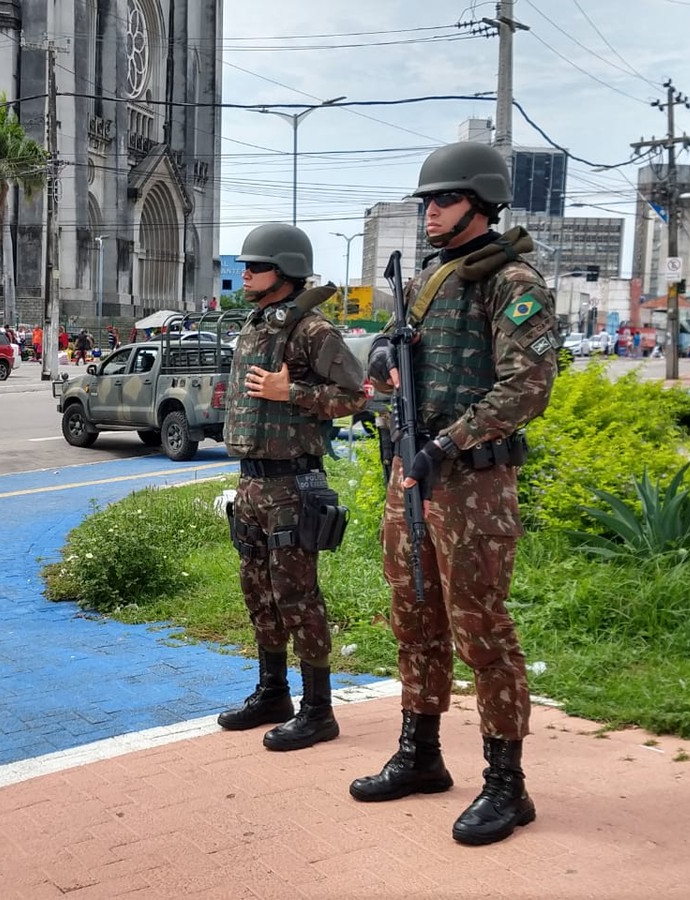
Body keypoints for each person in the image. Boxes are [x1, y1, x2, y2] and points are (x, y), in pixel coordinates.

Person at [349, 141, 558, 846]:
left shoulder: (511, 281)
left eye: (442, 200)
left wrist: (448, 442)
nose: (429, 211)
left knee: (482, 629)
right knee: (414, 616)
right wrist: (381, 357)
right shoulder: (429, 280)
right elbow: (391, 352)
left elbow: (528, 386)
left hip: (471, 481)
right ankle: (421, 753)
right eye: (426, 201)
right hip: (414, 473)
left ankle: (507, 785)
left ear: (480, 202)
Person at [218, 222, 368, 753]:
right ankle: (273, 692)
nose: (245, 274)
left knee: (297, 596)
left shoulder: (313, 331)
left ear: (282, 271)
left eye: (254, 266)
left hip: (292, 484)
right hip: (254, 483)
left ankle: (319, 710)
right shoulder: (260, 323)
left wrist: (294, 392)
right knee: (257, 591)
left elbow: (356, 395)